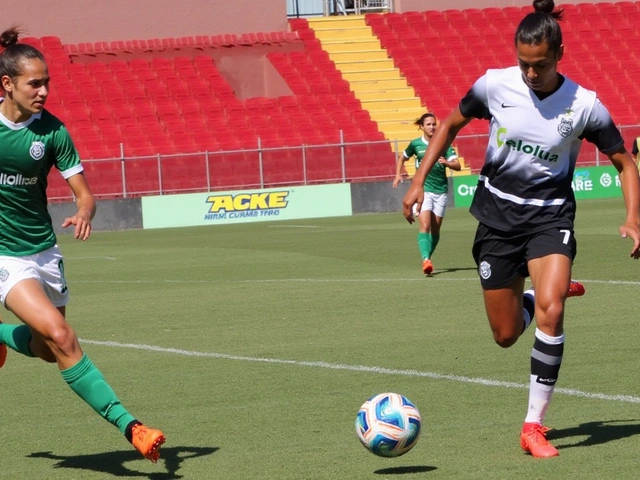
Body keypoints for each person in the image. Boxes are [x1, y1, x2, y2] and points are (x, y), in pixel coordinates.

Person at [402, 0, 640, 458]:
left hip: (550, 217)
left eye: (542, 65)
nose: (531, 74)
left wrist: (633, 217)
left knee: (552, 314)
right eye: (524, 64)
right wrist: (417, 181)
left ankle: (533, 425)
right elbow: (450, 124)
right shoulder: (495, 85)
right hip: (496, 219)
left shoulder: (585, 105)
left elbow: (623, 162)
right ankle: (538, 296)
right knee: (506, 334)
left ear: (560, 54)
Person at [0, 27, 165, 463]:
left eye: (46, 81)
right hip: (5, 257)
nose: (44, 90)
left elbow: (84, 193)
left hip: (44, 250)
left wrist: (86, 210)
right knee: (62, 337)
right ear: (8, 85)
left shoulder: (53, 132)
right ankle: (131, 425)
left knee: (44, 349)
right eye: (34, 83)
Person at [393, 113, 461, 274]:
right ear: (422, 127)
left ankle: (427, 258)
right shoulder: (416, 144)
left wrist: (447, 163)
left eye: (433, 124)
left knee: (436, 230)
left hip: (441, 191)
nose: (431, 127)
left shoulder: (444, 144)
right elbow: (402, 158)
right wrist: (397, 174)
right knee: (425, 225)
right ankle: (425, 259)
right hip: (424, 191)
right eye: (428, 124)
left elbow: (457, 165)